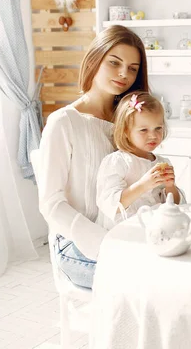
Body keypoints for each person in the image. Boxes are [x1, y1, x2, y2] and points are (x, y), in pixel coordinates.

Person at [37, 25, 149, 289]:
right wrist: (104, 242)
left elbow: (144, 178)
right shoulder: (64, 122)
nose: (124, 73)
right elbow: (51, 204)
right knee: (154, 282)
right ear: (94, 59)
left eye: (133, 68)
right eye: (114, 62)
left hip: (126, 235)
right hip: (77, 245)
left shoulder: (130, 121)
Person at [96, 92, 183, 230]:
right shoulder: (117, 162)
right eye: (143, 130)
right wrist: (143, 185)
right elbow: (110, 204)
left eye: (158, 128)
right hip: (123, 233)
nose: (153, 135)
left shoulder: (161, 162)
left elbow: (175, 205)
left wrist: (170, 186)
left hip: (153, 231)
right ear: (125, 131)